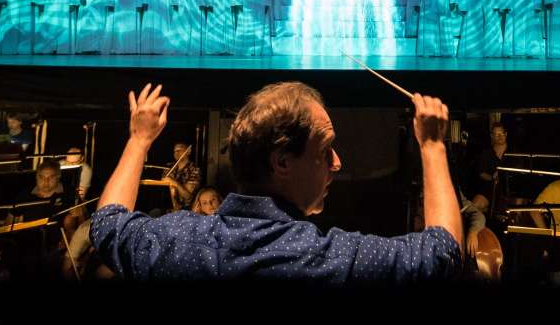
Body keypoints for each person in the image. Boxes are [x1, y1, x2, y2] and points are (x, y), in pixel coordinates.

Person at [89, 81, 462, 282]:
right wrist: (432, 146)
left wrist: (139, 140)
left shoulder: (171, 243)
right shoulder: (326, 261)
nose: (337, 162)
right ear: (282, 162)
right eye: (325, 149)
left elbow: (107, 223)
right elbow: (444, 252)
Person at [12, 159, 83, 239]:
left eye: (51, 177)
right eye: (41, 177)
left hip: (61, 242)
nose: (45, 181)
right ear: (36, 176)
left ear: (58, 177)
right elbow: (9, 225)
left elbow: (83, 226)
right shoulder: (25, 195)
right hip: (29, 240)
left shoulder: (70, 193)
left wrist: (80, 215)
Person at [471, 123, 509, 213]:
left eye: (501, 133)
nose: (499, 136)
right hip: (491, 188)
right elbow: (481, 173)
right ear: (492, 136)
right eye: (496, 134)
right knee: (474, 206)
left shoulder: (515, 152)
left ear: (506, 134)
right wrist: (492, 177)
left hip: (510, 190)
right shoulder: (486, 153)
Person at [161, 141, 202, 210]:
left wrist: (174, 183)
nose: (176, 153)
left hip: (186, 210)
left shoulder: (194, 170)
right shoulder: (168, 168)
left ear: (188, 152)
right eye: (175, 151)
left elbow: (188, 196)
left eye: (180, 150)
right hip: (167, 208)